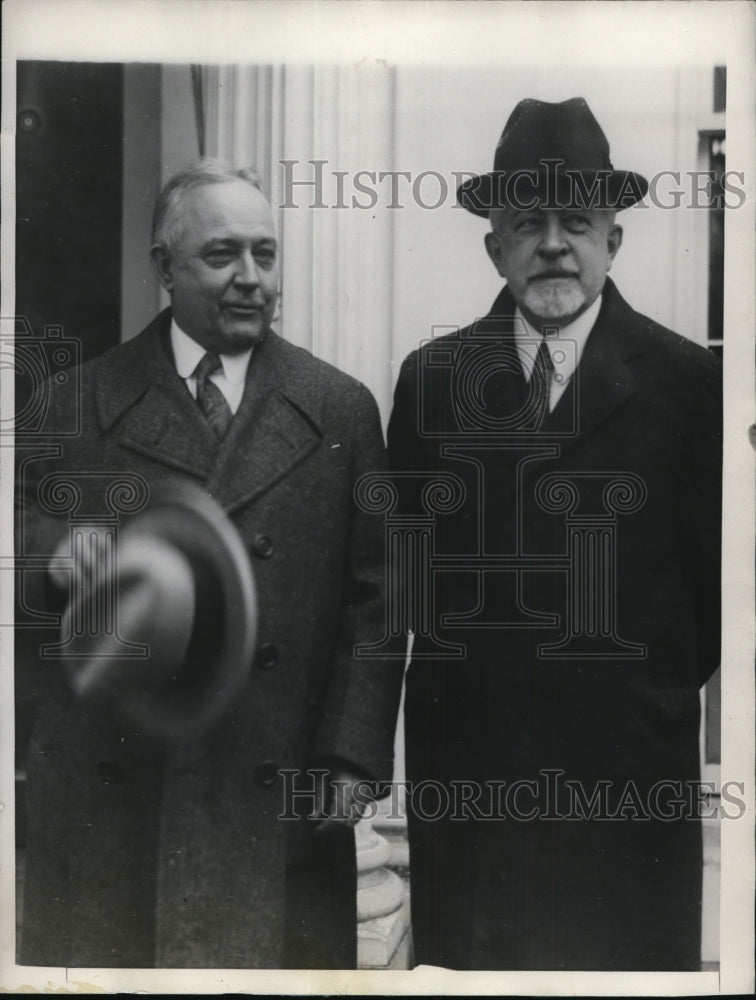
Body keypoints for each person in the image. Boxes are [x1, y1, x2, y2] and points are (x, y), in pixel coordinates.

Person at [16, 159, 403, 968]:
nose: (251, 279)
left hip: (281, 787)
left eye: (265, 255)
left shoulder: (338, 407)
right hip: (115, 797)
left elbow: (378, 601)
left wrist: (350, 756)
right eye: (222, 255)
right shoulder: (73, 405)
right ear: (163, 267)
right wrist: (78, 560)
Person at [388, 98, 722, 971]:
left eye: (576, 220)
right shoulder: (432, 383)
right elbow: (404, 584)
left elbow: (716, 598)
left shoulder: (690, 385)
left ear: (616, 239)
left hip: (627, 780)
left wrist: (632, 694)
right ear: (492, 243)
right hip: (473, 777)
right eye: (526, 221)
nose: (552, 244)